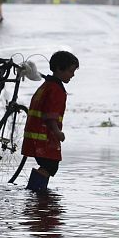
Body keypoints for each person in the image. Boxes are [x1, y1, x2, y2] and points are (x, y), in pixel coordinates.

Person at [21, 51, 80, 191]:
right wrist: (57, 132)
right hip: (44, 137)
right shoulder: (56, 90)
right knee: (50, 165)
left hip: (36, 136)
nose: (72, 75)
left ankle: (36, 193)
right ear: (59, 69)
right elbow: (50, 115)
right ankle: (36, 193)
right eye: (71, 71)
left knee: (48, 165)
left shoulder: (47, 85)